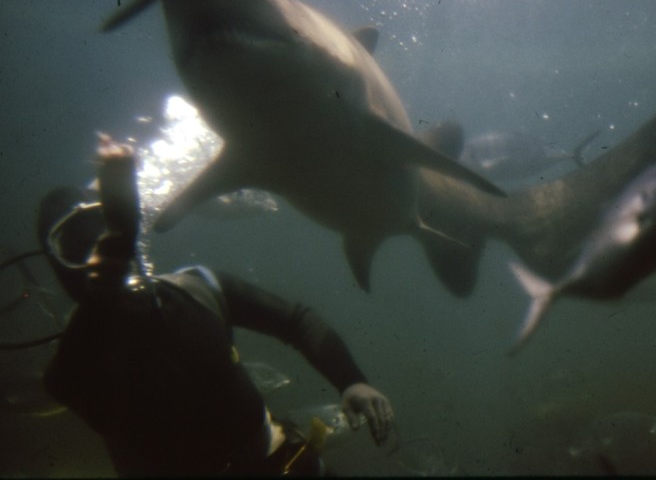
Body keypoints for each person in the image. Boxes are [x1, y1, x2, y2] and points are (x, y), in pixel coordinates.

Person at [37, 135, 394, 476]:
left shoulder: (200, 288)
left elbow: (297, 321)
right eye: (74, 246)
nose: (92, 256)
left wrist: (351, 382)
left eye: (98, 234)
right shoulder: (70, 370)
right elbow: (96, 318)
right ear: (57, 268)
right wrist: (115, 246)